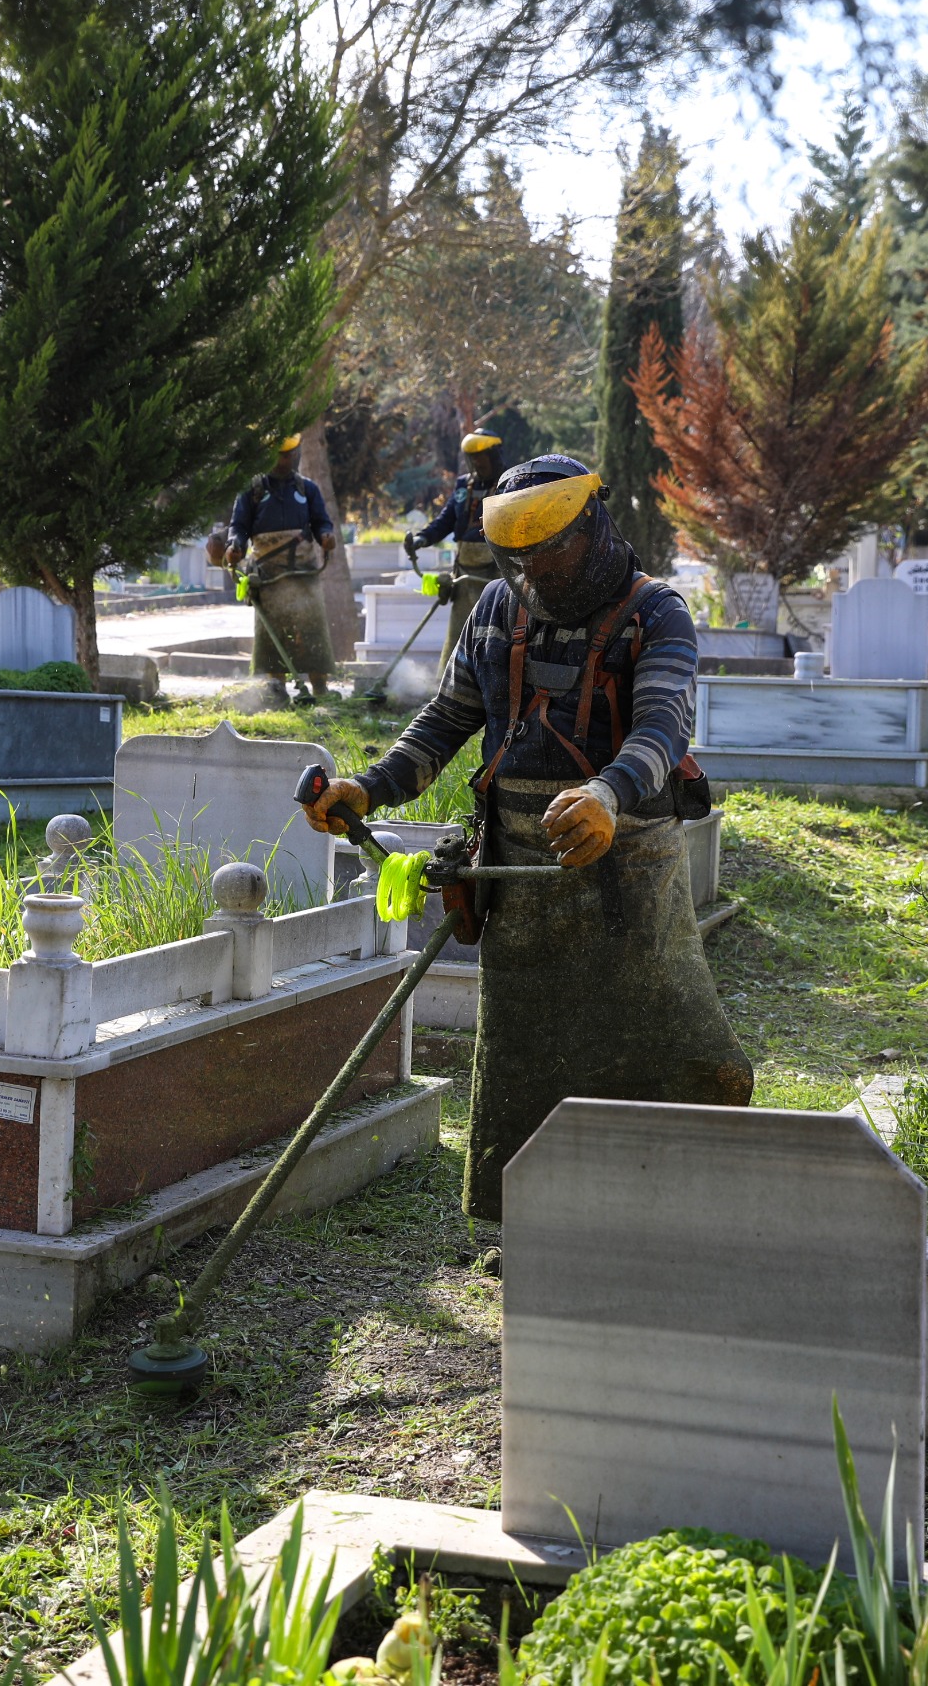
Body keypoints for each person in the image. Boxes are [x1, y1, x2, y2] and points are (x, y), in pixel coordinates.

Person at [301, 453, 752, 1220]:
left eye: (552, 551)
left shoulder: (655, 612)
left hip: (629, 872)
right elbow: (445, 721)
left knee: (665, 1046)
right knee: (525, 1059)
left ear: (593, 525)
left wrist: (607, 794)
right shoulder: (496, 611)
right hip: (515, 874)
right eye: (518, 557)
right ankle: (525, 1224)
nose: (535, 572)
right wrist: (369, 786)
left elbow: (662, 728)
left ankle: (669, 1211)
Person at [228, 434, 338, 703]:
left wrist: (326, 536)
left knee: (311, 628)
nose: (285, 460)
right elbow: (239, 526)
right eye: (280, 455)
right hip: (268, 575)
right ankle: (275, 689)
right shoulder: (252, 491)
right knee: (271, 634)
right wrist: (236, 546)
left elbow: (321, 521)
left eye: (289, 455)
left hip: (304, 573)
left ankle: (319, 686)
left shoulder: (307, 490)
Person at [402, 428, 507, 663]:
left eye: (482, 458)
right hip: (463, 572)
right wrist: (422, 539)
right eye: (473, 459)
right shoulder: (463, 487)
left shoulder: (509, 486)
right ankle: (452, 688)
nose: (477, 464)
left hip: (495, 574)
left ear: (495, 456)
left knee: (493, 633)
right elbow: (445, 521)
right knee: (460, 634)